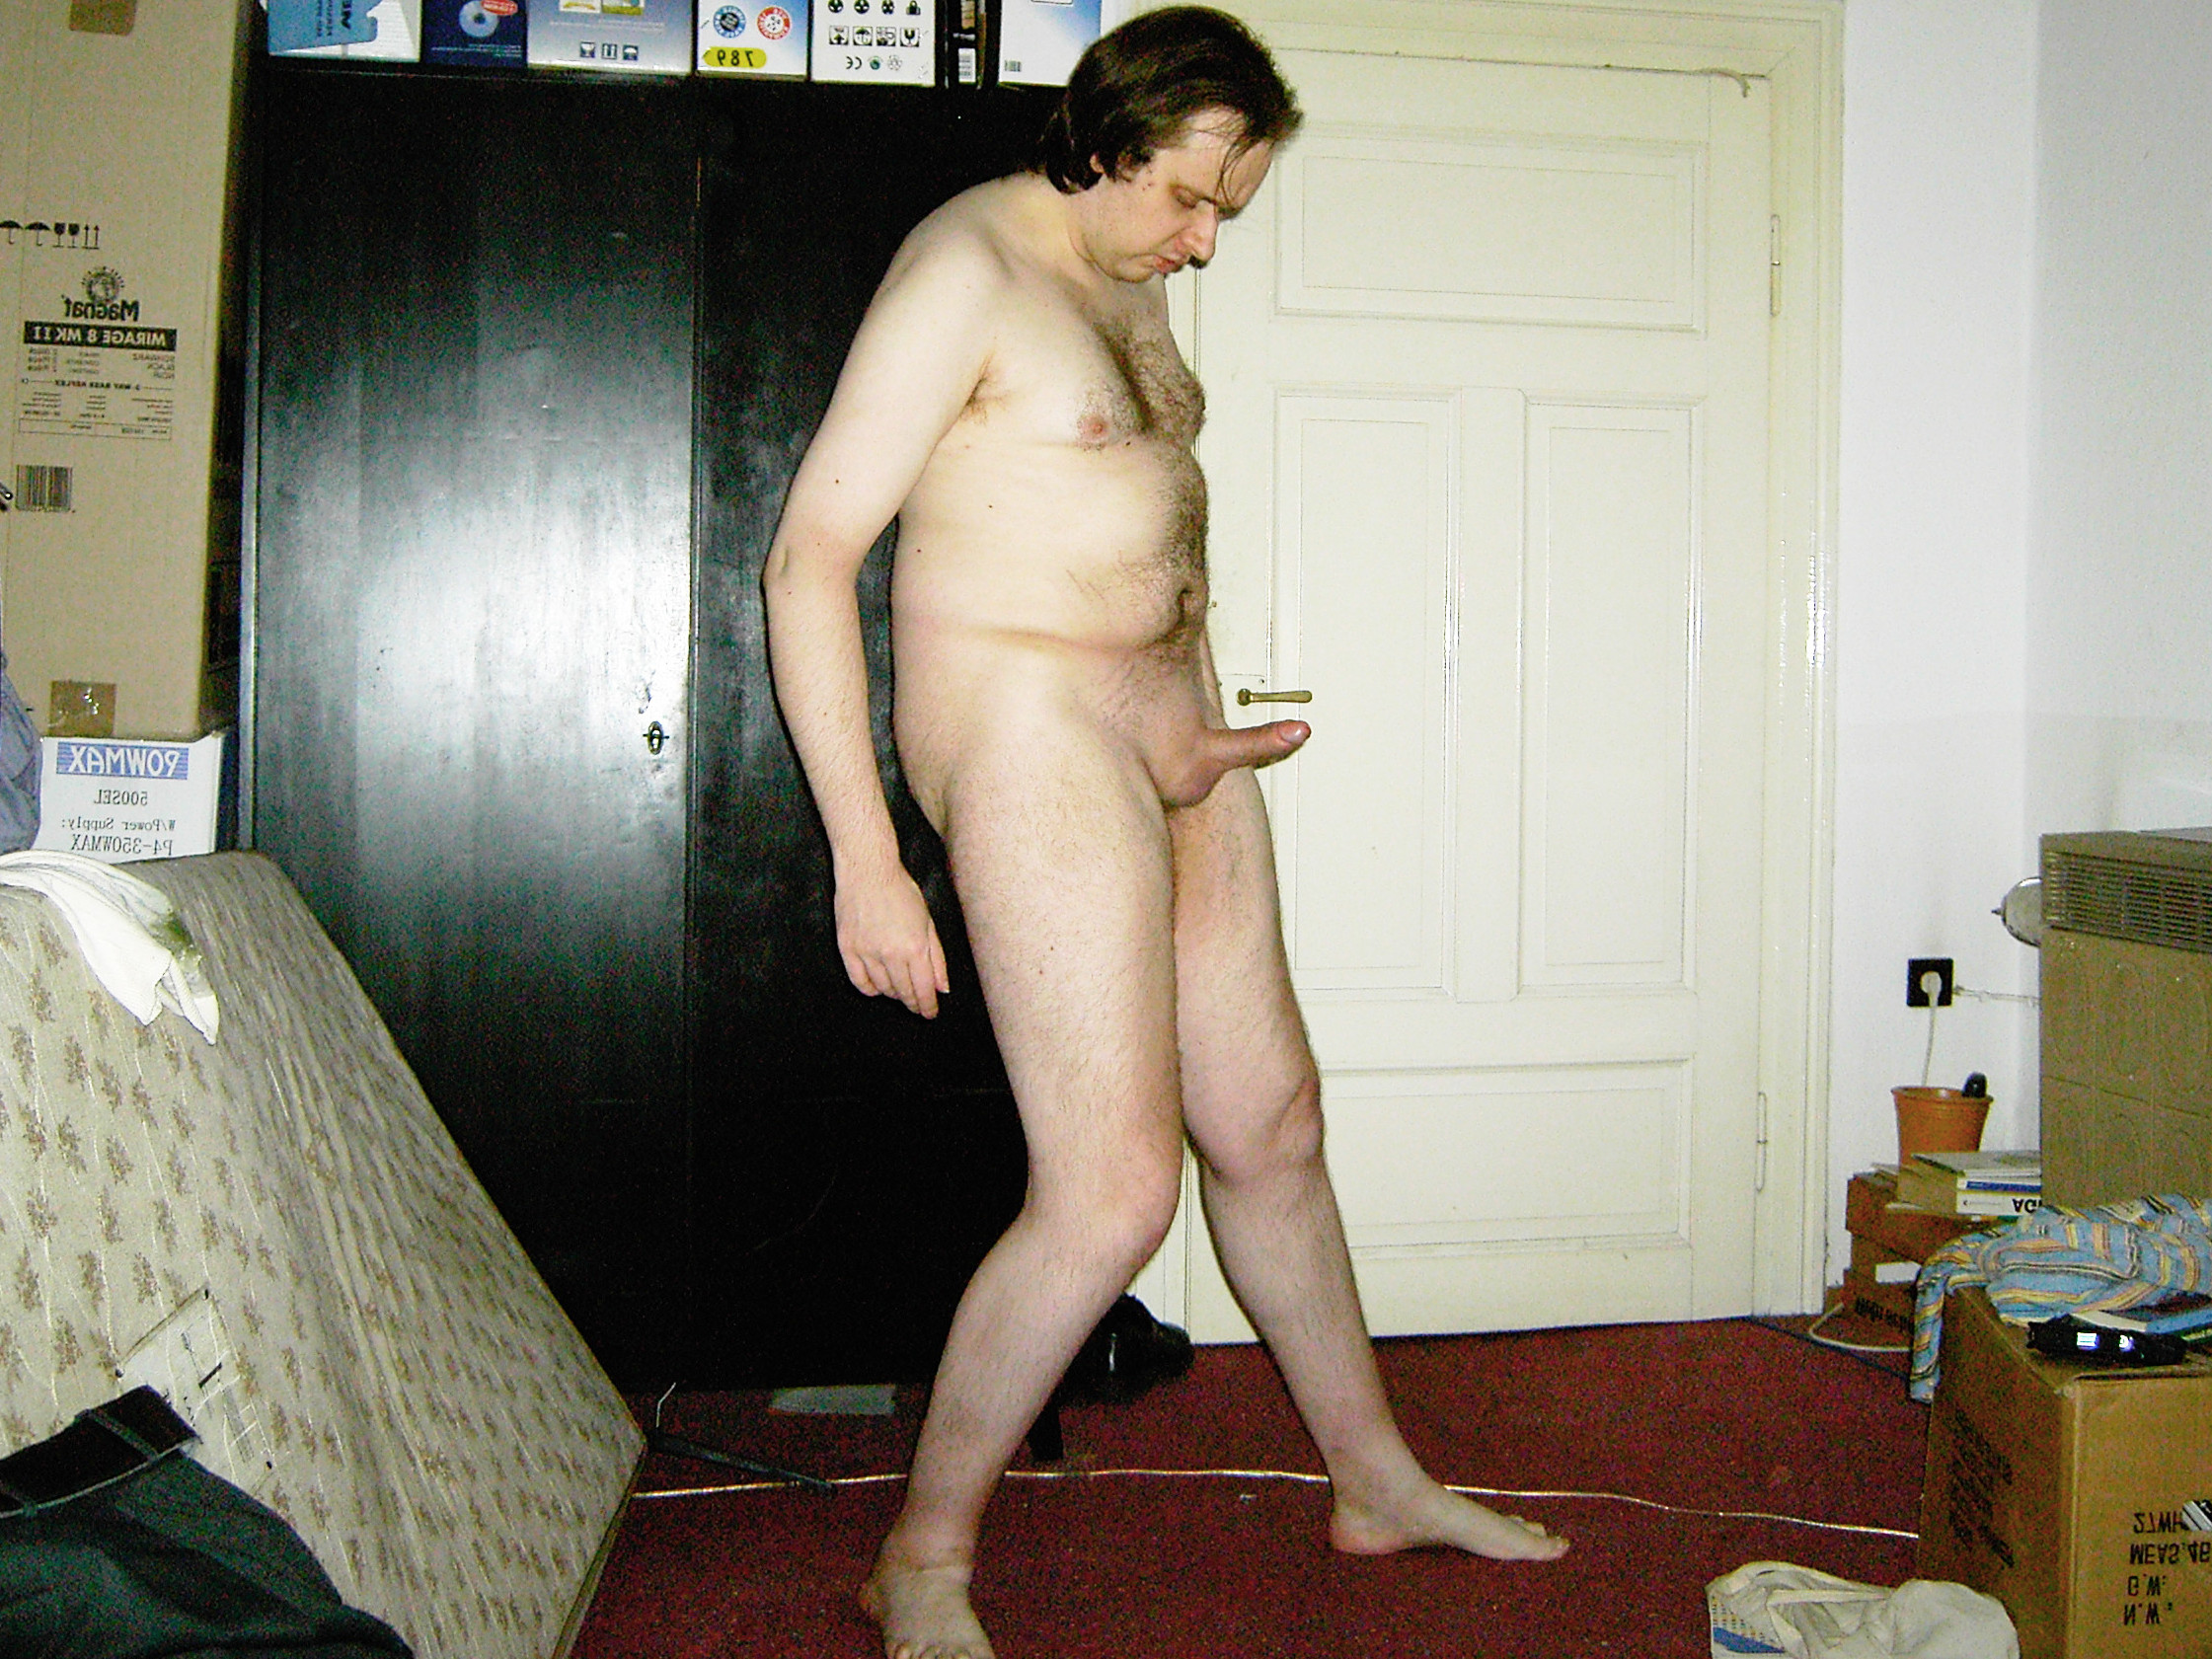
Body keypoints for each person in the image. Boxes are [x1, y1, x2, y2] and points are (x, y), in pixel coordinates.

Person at [762, 10, 1567, 1655]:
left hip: (1172, 735)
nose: (1203, 243)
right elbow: (807, 559)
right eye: (1191, 200)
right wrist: (866, 856)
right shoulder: (965, 271)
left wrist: (1191, 720)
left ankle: (1374, 1478)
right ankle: (922, 1555)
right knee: (1113, 1189)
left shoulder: (1128, 275)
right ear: (1107, 136)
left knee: (1271, 1123)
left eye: (1227, 211)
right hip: (1029, 737)